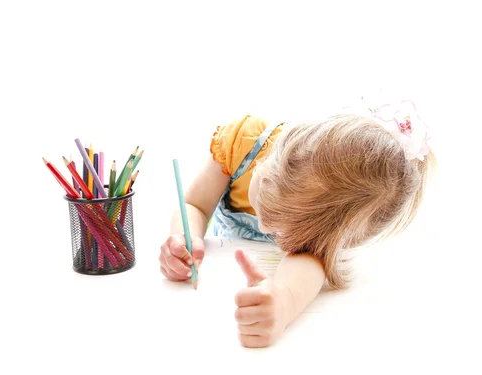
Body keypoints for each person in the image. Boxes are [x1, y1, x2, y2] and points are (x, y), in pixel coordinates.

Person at [158, 99, 435, 348]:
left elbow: (307, 265)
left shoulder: (331, 220)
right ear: (269, 160)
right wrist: (184, 238)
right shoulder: (242, 143)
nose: (265, 229)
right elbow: (194, 205)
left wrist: (282, 304)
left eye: (283, 229)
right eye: (264, 203)